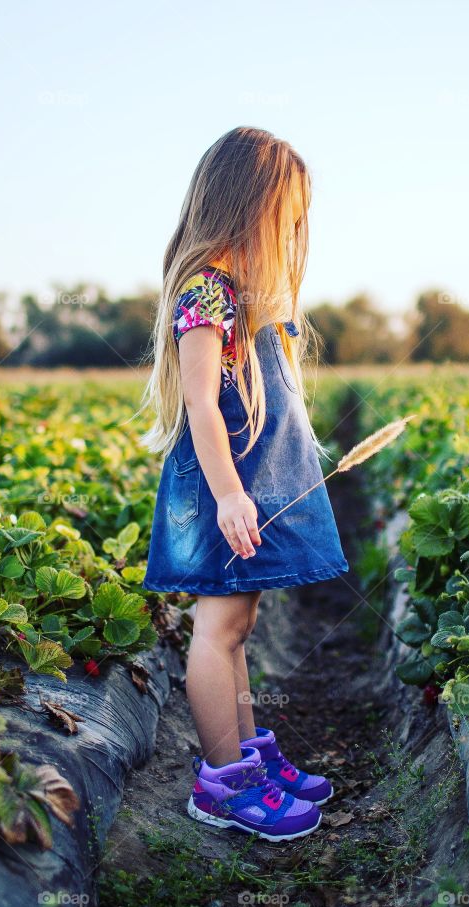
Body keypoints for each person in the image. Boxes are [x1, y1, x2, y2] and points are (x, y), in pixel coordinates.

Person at [138, 127, 348, 841]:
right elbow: (201, 401)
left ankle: (250, 760)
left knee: (238, 628)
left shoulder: (238, 298)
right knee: (216, 628)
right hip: (222, 495)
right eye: (284, 217)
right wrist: (230, 494)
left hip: (242, 494)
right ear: (246, 208)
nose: (291, 233)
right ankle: (222, 784)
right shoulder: (206, 290)